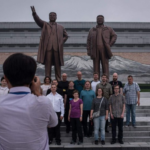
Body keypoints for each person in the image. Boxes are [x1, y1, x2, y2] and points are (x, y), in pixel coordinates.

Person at [0, 53, 58, 150]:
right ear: (33, 79)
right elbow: (53, 123)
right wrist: (37, 92)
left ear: (5, 78)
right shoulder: (43, 102)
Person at [31, 6, 68, 81]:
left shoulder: (61, 27)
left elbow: (66, 36)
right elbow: (38, 21)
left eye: (53, 15)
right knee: (48, 65)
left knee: (57, 65)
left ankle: (58, 80)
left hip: (57, 49)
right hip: (48, 48)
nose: (52, 16)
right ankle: (48, 79)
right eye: (50, 15)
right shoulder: (45, 25)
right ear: (49, 17)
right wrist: (34, 14)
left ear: (56, 17)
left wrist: (60, 42)